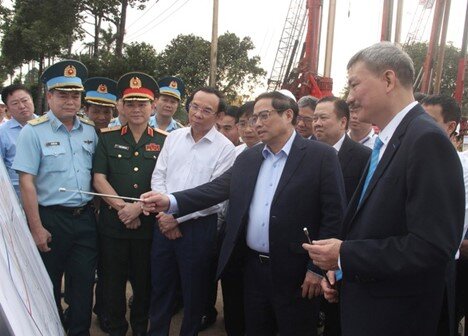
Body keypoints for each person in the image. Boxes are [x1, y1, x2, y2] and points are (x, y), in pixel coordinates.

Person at [142, 91, 346, 336]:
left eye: (264, 116)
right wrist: (170, 201)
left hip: (297, 274)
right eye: (253, 118)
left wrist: (316, 268)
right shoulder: (248, 158)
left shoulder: (320, 156)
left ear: (288, 115)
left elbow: (333, 216)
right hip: (252, 269)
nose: (256, 124)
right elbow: (215, 190)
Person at [303, 42, 465, 336]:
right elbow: (377, 226)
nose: (348, 98)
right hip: (370, 307)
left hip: (397, 318)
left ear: (388, 79)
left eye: (354, 85)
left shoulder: (426, 140)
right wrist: (343, 271)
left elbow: (433, 246)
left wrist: (345, 256)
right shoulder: (389, 140)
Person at [12, 60, 98, 336]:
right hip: (51, 218)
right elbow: (27, 181)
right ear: (49, 96)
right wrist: (36, 227)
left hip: (84, 219)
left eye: (75, 96)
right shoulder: (33, 131)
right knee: (48, 284)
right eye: (63, 95)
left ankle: (79, 331)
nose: (70, 101)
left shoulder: (89, 130)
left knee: (84, 284)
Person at [148, 87, 236, 335]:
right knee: (161, 288)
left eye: (207, 110)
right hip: (163, 224)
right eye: (195, 106)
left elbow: (215, 197)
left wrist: (176, 216)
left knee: (194, 293)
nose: (198, 114)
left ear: (218, 116)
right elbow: (159, 176)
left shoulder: (225, 149)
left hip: (198, 229)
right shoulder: (173, 138)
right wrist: (165, 215)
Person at [92, 72, 166, 336]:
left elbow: (166, 182)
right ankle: (116, 329)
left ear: (153, 105)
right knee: (112, 285)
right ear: (120, 106)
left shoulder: (165, 140)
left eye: (142, 104)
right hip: (113, 226)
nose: (136, 109)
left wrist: (139, 208)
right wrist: (124, 208)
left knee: (145, 284)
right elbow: (99, 178)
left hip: (148, 227)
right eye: (130, 103)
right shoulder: (107, 137)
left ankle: (140, 329)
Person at [421, 94, 468, 335]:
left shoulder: (462, 166)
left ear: (451, 127)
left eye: (427, 120)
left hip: (446, 265)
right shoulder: (414, 159)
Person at [313, 96, 371, 202]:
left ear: (343, 122)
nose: (317, 123)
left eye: (323, 118)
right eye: (315, 118)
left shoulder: (364, 157)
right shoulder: (306, 153)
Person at [0, 84, 36, 198]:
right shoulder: (2, 133)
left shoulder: (49, 126)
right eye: (15, 103)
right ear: (7, 108)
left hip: (49, 198)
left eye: (25, 100)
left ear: (32, 100)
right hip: (17, 197)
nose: (22, 106)